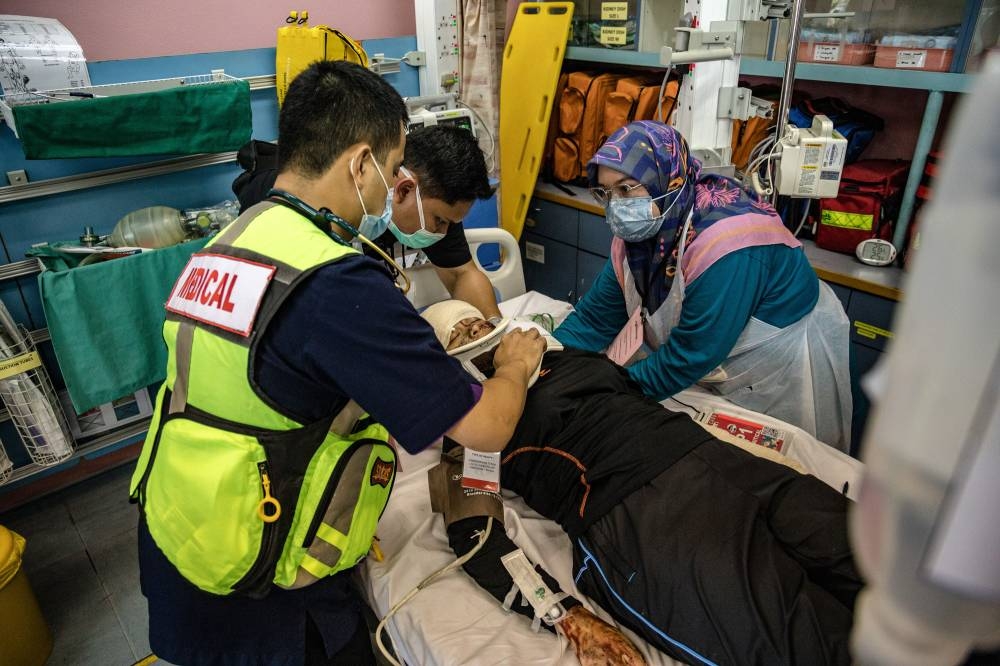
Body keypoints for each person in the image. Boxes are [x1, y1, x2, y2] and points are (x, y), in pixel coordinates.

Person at [129, 61, 544, 666]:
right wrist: (514, 364)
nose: (395, 186)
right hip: (257, 569)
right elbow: (487, 427)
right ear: (360, 164)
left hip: (179, 522)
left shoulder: (234, 238)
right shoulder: (337, 284)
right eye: (393, 168)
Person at [421, 300, 863, 666]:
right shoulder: (474, 425)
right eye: (456, 335)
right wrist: (563, 613)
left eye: (476, 320)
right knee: (811, 644)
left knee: (875, 560)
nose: (473, 328)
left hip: (712, 457)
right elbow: (475, 533)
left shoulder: (566, 357)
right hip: (640, 514)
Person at [553, 121, 853, 451]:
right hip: (710, 358)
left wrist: (604, 393)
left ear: (666, 181)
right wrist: (547, 357)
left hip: (778, 362)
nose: (615, 207)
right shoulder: (637, 239)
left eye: (626, 190)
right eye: (605, 193)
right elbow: (595, 319)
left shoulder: (728, 244)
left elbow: (690, 355)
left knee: (782, 457)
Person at [233, 124, 502, 320]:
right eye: (440, 221)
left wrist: (493, 331)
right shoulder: (309, 203)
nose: (442, 232)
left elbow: (461, 273)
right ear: (404, 190)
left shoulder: (432, 198)